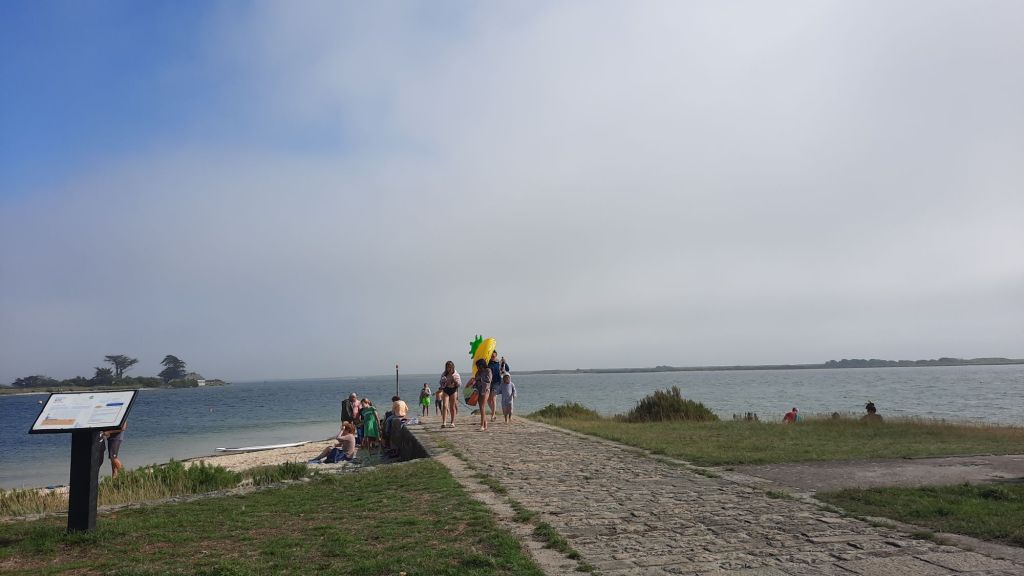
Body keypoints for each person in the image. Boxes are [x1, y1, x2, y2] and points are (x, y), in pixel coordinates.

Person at [487, 351, 509, 423]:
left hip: (497, 382)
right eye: (491, 356)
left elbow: (507, 369)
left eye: (494, 356)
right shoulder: (487, 363)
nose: (492, 357)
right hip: (489, 383)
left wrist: (505, 363)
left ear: (496, 355)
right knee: (488, 400)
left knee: (493, 398)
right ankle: (494, 411)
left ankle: (493, 415)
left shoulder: (499, 363)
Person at [439, 360, 461, 428]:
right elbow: (441, 382)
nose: (449, 369)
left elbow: (459, 384)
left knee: (452, 407)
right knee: (445, 406)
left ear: (453, 367)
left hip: (453, 390)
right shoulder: (444, 374)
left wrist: (453, 379)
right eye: (448, 367)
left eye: (450, 367)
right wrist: (443, 383)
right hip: (446, 390)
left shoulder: (456, 374)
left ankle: (452, 422)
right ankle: (444, 422)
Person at [474, 358, 492, 431]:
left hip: (485, 390)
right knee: (481, 407)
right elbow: (475, 380)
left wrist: (480, 380)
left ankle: (482, 425)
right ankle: (485, 424)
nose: (478, 367)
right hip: (478, 390)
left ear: (482, 365)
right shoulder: (478, 372)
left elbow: (488, 380)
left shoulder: (488, 370)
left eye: (478, 366)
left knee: (482, 407)